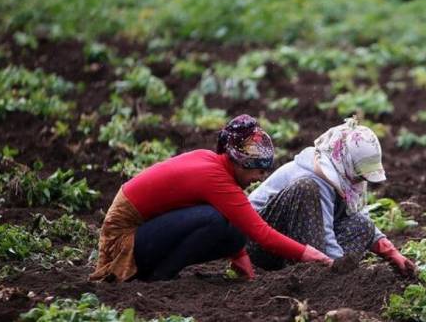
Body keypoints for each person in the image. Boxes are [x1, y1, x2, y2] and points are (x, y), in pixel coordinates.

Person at [89, 114, 332, 283]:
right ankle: (158, 276)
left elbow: (241, 225)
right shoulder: (215, 178)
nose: (259, 178)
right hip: (124, 239)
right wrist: (313, 255)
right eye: (257, 171)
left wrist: (239, 254)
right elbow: (262, 234)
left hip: (146, 229)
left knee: (230, 225)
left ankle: (158, 271)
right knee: (214, 220)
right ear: (239, 163)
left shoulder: (213, 163)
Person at [248, 117, 416, 275]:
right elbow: (325, 232)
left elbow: (359, 215)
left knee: (362, 226)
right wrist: (338, 272)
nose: (361, 180)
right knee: (306, 188)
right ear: (347, 161)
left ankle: (309, 271)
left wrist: (392, 253)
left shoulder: (347, 173)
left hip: (294, 244)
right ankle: (310, 275)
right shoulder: (316, 178)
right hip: (258, 244)